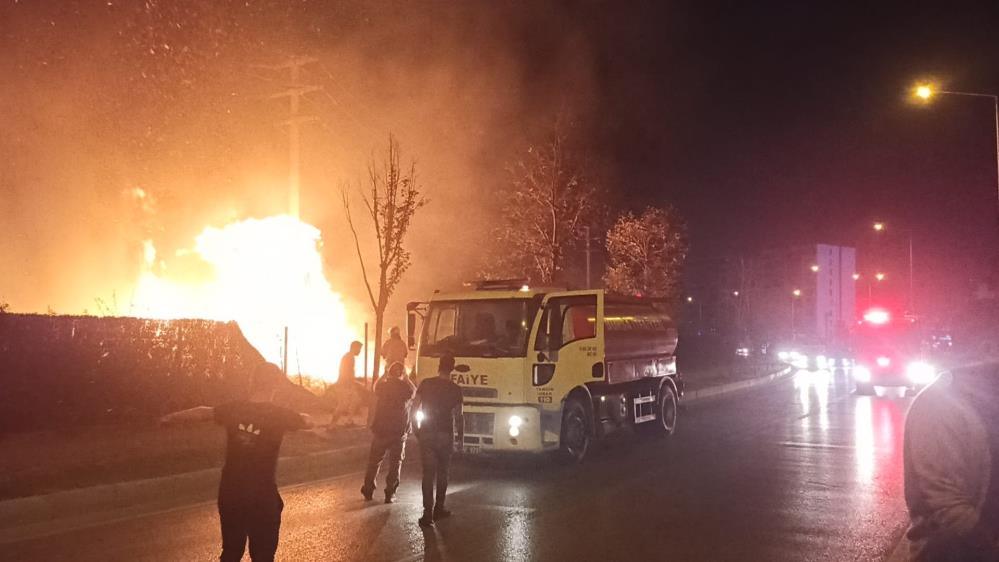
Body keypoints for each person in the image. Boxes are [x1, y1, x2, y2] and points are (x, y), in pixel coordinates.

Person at [159, 362, 314, 562]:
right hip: (261, 496)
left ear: (252, 382)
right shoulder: (280, 415)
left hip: (231, 493)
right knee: (263, 555)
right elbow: (307, 421)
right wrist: (307, 418)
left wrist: (170, 418)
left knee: (231, 552)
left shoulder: (234, 409)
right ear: (275, 386)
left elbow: (202, 411)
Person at [904, 352, 999, 561]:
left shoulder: (989, 398)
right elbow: (945, 506)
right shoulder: (939, 405)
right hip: (951, 552)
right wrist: (991, 547)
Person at [413, 354, 464, 527]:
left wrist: (415, 428)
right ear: (452, 368)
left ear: (439, 366)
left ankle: (427, 513)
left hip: (426, 433)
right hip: (444, 435)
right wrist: (460, 438)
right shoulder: (455, 389)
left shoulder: (426, 384)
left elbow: (415, 406)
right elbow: (458, 416)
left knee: (428, 475)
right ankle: (439, 508)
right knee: (443, 473)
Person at [361, 361, 416, 503]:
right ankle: (390, 493)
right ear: (401, 373)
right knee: (395, 463)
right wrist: (407, 378)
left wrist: (383, 375)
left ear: (389, 372)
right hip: (398, 432)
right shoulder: (405, 387)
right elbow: (414, 392)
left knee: (374, 462)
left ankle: (368, 490)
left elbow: (375, 387)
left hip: (381, 430)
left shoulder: (383, 386)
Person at [333, 341, 366, 426]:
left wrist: (355, 382)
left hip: (347, 383)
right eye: (359, 349)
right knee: (342, 405)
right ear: (354, 348)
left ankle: (349, 421)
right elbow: (346, 372)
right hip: (344, 384)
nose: (359, 351)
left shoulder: (349, 357)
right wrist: (354, 382)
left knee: (355, 400)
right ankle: (333, 423)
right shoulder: (349, 357)